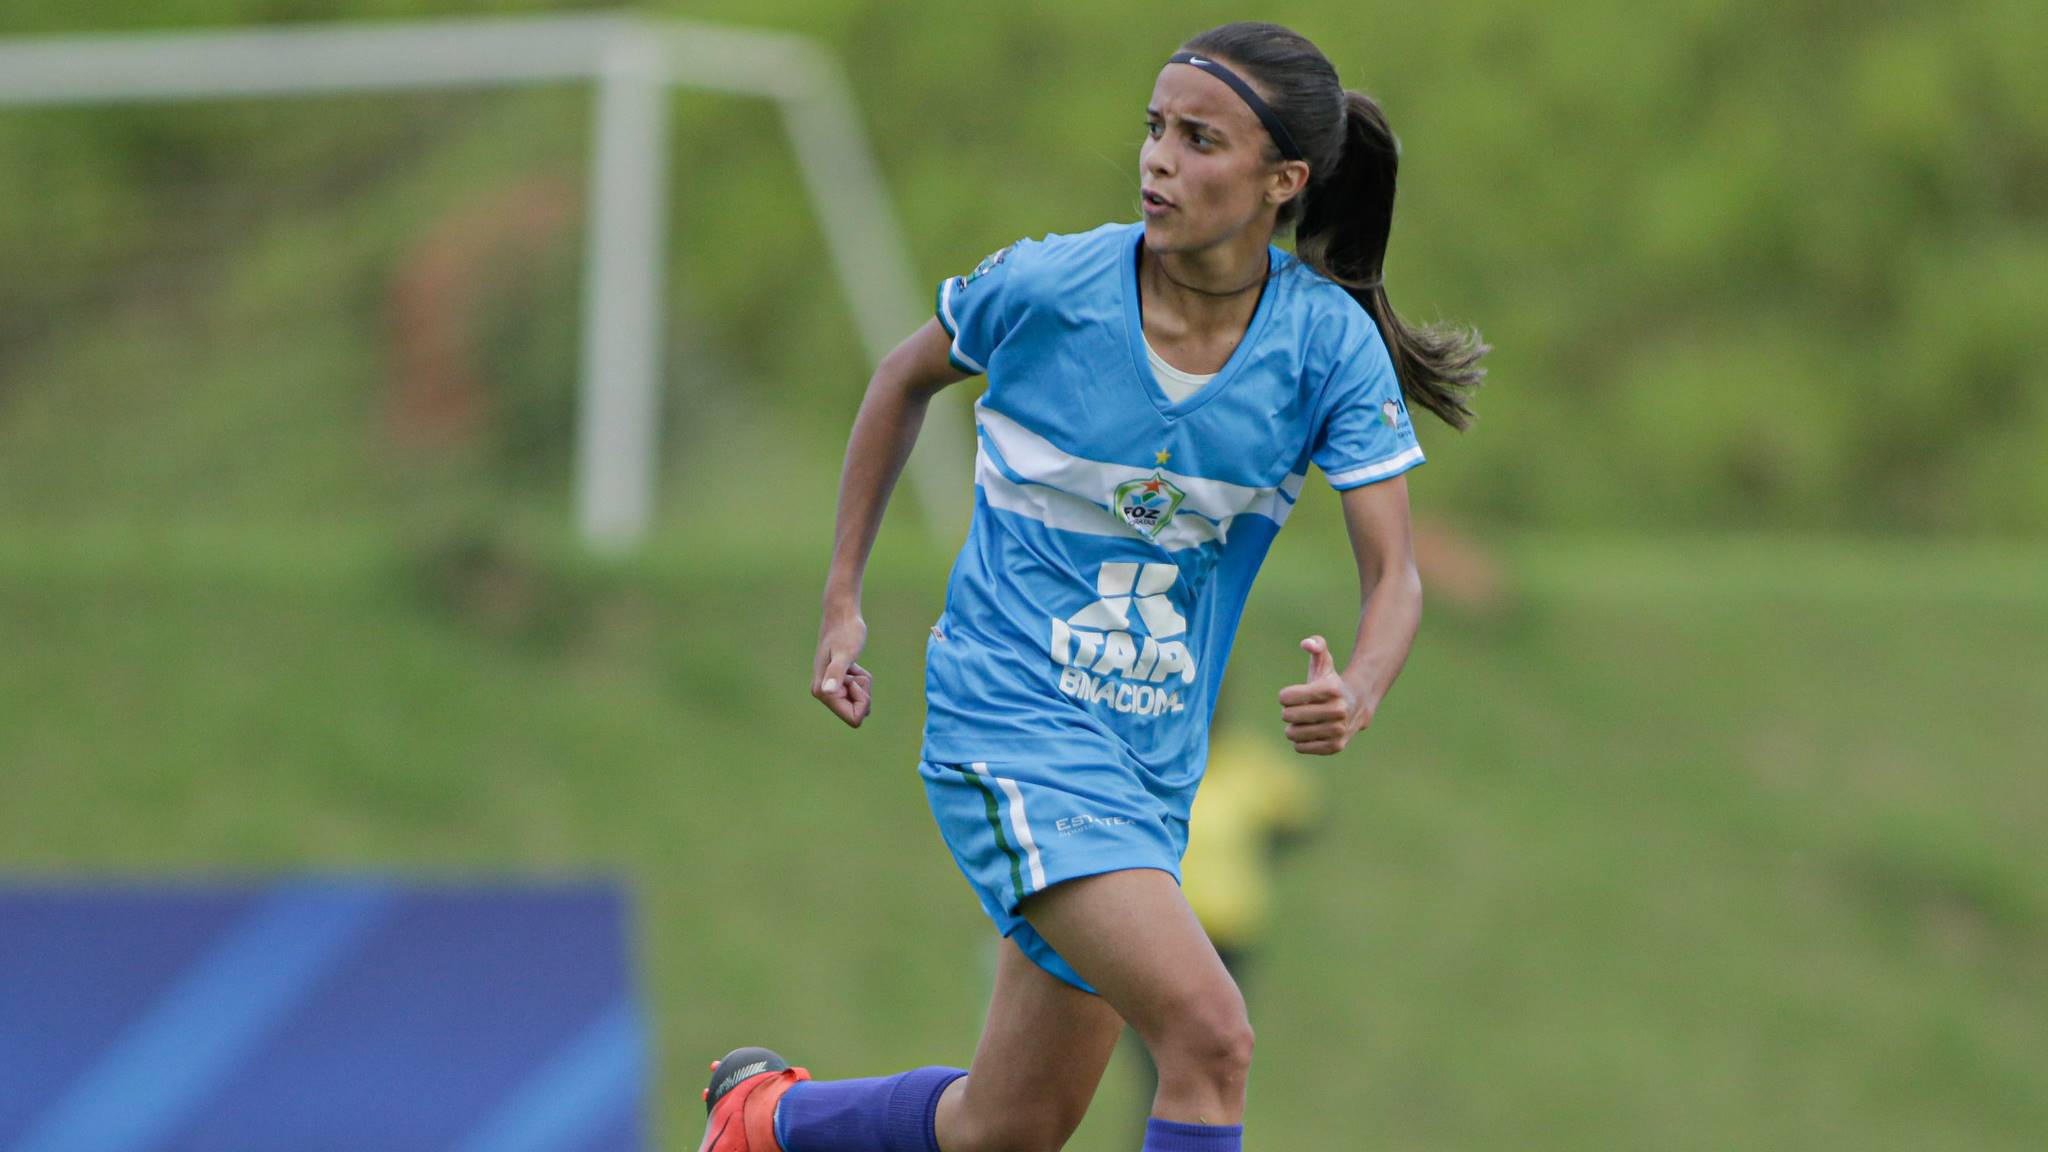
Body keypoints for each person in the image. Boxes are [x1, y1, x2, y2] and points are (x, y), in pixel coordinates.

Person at [700, 20, 1485, 1152]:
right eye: (1156, 128)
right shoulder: (1048, 284)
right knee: (1211, 1035)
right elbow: (901, 379)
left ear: (1283, 181)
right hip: (1010, 724)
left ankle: (763, 1120)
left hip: (1147, 766)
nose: (1157, 158)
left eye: (1199, 139)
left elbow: (1394, 573)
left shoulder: (1325, 348)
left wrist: (1359, 686)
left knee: (1007, 1126)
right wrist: (841, 602)